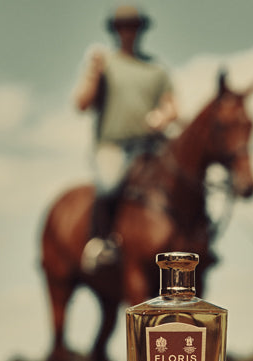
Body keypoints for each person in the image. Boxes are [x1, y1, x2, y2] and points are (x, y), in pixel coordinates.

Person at [73, 4, 178, 272]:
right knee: (109, 185)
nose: (128, 31)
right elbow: (82, 103)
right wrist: (94, 73)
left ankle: (193, 238)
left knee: (182, 179)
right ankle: (102, 241)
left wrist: (163, 117)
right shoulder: (104, 63)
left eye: (133, 26)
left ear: (141, 30)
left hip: (149, 146)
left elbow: (172, 107)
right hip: (113, 145)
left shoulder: (156, 70)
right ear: (115, 30)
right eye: (123, 26)